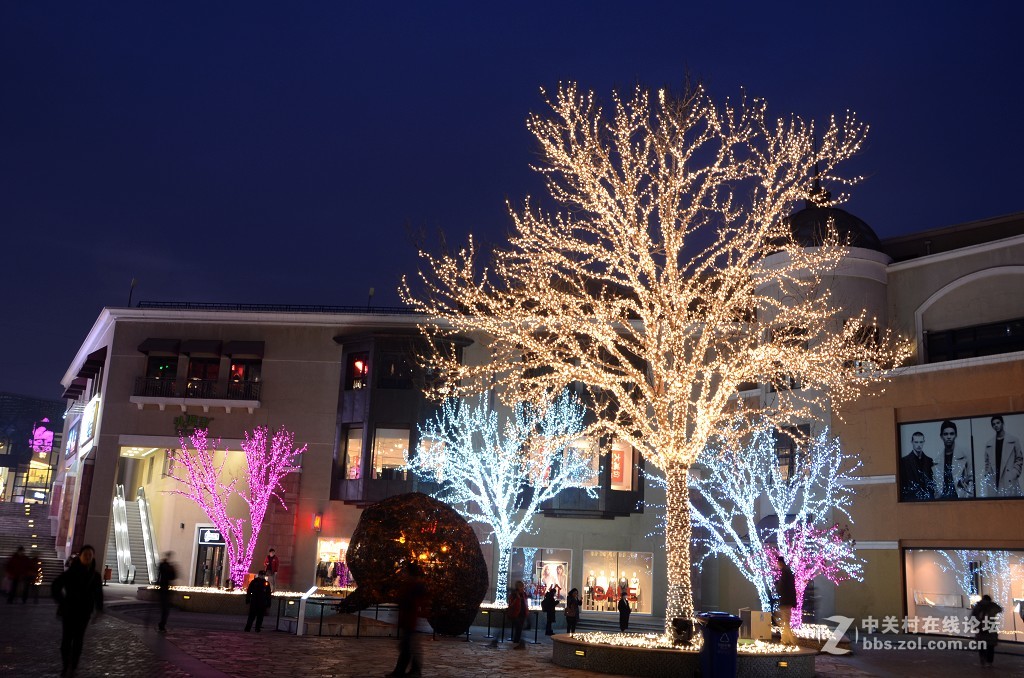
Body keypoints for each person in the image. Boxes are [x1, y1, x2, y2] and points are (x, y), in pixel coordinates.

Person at [51, 544, 103, 677]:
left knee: (78, 640)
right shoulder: (71, 572)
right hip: (69, 611)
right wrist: (62, 601)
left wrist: (99, 609)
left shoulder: (95, 576)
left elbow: (99, 594)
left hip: (84, 612)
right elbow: (55, 585)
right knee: (66, 640)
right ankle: (65, 665)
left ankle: (73, 666)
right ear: (80, 556)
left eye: (90, 555)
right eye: (85, 554)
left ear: (93, 557)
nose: (87, 557)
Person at [387, 561, 428, 678]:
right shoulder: (412, 585)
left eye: (405, 572)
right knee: (408, 647)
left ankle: (404, 671)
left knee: (407, 647)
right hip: (409, 620)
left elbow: (412, 603)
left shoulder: (414, 586)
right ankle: (412, 670)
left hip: (410, 620)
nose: (403, 574)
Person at [982, 415, 1024, 497]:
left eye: (998, 423)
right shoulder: (989, 444)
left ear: (1002, 423)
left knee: (1011, 506)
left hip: (1008, 478)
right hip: (994, 479)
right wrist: (987, 474)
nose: (996, 425)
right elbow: (987, 462)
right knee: (996, 506)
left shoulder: (1014, 440)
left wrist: (1014, 473)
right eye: (993, 424)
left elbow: (1019, 459)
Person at [936, 420, 973, 499]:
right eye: (945, 434)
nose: (949, 437)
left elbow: (971, 479)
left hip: (960, 501)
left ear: (956, 435)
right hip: (943, 503)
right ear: (941, 436)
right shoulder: (937, 460)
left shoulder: (965, 455)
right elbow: (936, 485)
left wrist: (967, 499)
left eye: (951, 434)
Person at [899, 431, 936, 500]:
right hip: (911, 500)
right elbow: (903, 483)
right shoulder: (904, 461)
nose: (919, 445)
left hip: (928, 500)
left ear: (924, 442)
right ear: (912, 442)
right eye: (916, 442)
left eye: (921, 442)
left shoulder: (929, 461)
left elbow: (931, 482)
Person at [971, 594, 1003, 667]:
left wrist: (974, 625)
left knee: (982, 646)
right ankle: (989, 661)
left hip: (981, 628)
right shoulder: (991, 607)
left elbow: (973, 616)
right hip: (989, 629)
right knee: (990, 647)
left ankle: (984, 660)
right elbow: (999, 609)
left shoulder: (978, 606)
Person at [776, 555, 797, 646]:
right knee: (785, 620)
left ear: (780, 563)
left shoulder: (785, 572)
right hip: (787, 601)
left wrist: (777, 586)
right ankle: (785, 639)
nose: (777, 565)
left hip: (785, 601)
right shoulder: (787, 571)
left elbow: (783, 587)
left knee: (784, 620)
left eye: (778, 563)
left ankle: (791, 640)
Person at [157, 552, 177, 632]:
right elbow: (173, 577)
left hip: (163, 588)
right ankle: (162, 624)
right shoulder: (168, 567)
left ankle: (162, 624)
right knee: (165, 609)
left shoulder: (162, 565)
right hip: (165, 588)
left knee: (164, 608)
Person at [508, 580, 529, 649]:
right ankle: (517, 642)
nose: (522, 588)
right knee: (518, 628)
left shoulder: (524, 594)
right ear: (518, 587)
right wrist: (517, 598)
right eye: (521, 587)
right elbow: (511, 604)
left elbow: (525, 603)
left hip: (522, 613)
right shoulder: (514, 595)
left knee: (520, 628)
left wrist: (527, 611)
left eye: (523, 586)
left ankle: (517, 642)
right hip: (516, 614)